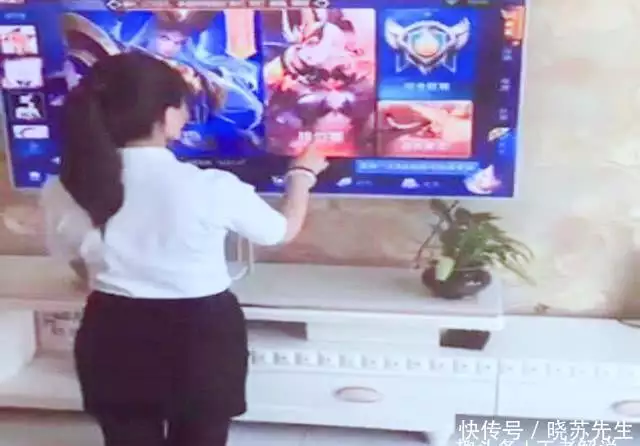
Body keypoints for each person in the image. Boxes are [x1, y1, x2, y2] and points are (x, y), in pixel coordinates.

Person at [40, 51, 328, 446]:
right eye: (183, 105)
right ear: (165, 114)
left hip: (111, 333)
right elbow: (281, 231)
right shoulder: (209, 186)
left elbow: (75, 261)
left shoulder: (62, 187)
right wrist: (301, 175)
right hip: (201, 338)